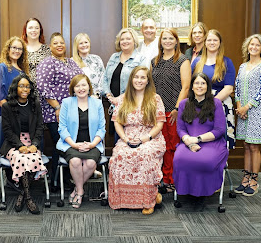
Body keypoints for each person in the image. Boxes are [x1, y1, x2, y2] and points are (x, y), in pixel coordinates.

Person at [108, 66, 166, 215]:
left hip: (151, 137)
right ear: (131, 79)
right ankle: (122, 200)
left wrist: (146, 138)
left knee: (144, 155)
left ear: (147, 81)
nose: (139, 80)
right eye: (136, 77)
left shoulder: (155, 98)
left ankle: (149, 200)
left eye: (143, 77)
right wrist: (125, 139)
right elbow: (117, 122)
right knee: (119, 156)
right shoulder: (122, 98)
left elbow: (159, 124)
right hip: (128, 137)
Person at [173, 72, 229, 211]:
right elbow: (180, 129)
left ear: (207, 86)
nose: (199, 86)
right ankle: (188, 192)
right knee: (179, 158)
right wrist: (189, 142)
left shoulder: (215, 103)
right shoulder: (183, 104)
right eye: (196, 83)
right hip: (188, 142)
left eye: (203, 83)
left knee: (204, 161)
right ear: (191, 86)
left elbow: (219, 130)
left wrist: (197, 139)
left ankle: (202, 194)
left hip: (211, 142)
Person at [37, 32, 84, 186]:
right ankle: (55, 180)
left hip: (72, 111)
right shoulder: (48, 63)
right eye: (55, 43)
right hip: (54, 112)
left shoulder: (71, 62)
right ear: (50, 47)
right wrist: (57, 107)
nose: (59, 45)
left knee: (67, 144)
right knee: (61, 143)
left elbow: (82, 80)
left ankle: (63, 178)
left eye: (62, 43)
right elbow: (43, 87)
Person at [57, 74, 106, 208]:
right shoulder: (67, 103)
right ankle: (80, 191)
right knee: (75, 161)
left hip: (92, 143)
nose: (81, 88)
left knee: (90, 163)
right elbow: (62, 128)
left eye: (84, 85)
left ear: (89, 87)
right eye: (77, 86)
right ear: (73, 89)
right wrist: (74, 145)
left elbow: (102, 129)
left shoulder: (97, 103)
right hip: (71, 143)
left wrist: (92, 144)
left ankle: (76, 190)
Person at [151, 28, 191, 193]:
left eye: (170, 38)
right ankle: (164, 179)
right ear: (160, 41)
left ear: (176, 41)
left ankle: (173, 180)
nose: (167, 41)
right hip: (157, 111)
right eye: (164, 38)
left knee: (174, 146)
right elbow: (152, 86)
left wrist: (176, 108)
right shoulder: (155, 61)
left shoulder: (182, 60)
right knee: (161, 146)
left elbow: (186, 86)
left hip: (174, 110)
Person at [0, 74, 47, 214]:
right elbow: (7, 130)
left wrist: (35, 144)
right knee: (21, 158)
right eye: (21, 86)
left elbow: (39, 127)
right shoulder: (7, 106)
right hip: (13, 143)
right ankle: (29, 198)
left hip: (32, 141)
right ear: (16, 88)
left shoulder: (35, 104)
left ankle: (22, 194)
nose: (25, 89)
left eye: (27, 86)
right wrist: (20, 145)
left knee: (33, 157)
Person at [234, 34, 261, 197]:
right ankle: (245, 178)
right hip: (242, 111)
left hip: (256, 111)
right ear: (247, 47)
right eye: (251, 45)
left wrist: (247, 107)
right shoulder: (243, 66)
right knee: (246, 146)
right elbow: (237, 87)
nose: (254, 47)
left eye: (257, 45)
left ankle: (254, 181)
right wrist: (239, 107)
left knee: (254, 146)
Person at [191, 29, 236, 149]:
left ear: (220, 43)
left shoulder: (227, 62)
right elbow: (191, 84)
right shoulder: (197, 61)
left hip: (220, 103)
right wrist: (201, 104)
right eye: (209, 40)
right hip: (199, 103)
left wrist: (211, 103)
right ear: (205, 42)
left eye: (215, 40)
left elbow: (228, 88)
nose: (212, 42)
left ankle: (222, 166)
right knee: (200, 134)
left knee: (221, 136)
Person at [103, 28, 148, 142]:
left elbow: (141, 81)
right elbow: (105, 79)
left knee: (128, 138)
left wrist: (120, 99)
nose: (125, 41)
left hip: (132, 105)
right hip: (113, 105)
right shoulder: (114, 57)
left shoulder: (141, 59)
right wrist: (109, 96)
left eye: (128, 38)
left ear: (134, 41)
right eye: (122, 39)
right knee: (117, 139)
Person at [0, 36, 29, 132]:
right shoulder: (2, 68)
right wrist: (13, 112)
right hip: (6, 114)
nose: (17, 51)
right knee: (8, 145)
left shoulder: (23, 71)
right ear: (8, 49)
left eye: (20, 49)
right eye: (14, 47)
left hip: (21, 115)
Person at [71, 33, 105, 98]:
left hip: (95, 99)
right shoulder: (72, 61)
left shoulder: (97, 59)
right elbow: (71, 83)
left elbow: (103, 78)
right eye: (81, 43)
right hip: (78, 100)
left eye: (86, 42)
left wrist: (97, 94)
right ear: (76, 46)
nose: (84, 45)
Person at [22, 18, 51, 92]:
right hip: (24, 92)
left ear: (40, 30)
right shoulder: (20, 49)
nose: (34, 30)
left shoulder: (47, 50)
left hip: (43, 92)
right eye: (30, 28)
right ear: (25, 30)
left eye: (36, 28)